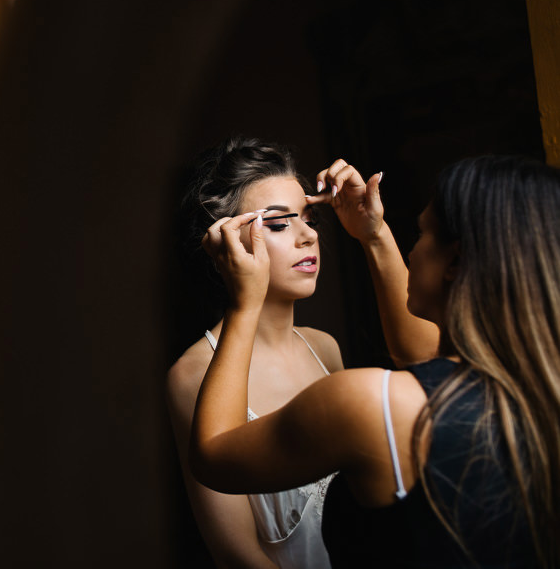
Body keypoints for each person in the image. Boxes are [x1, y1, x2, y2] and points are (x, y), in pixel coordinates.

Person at [191, 155, 558, 567]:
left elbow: (211, 455)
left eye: (420, 233)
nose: (412, 250)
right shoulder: (532, 391)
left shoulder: (372, 401)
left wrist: (243, 306)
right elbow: (421, 358)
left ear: (454, 262)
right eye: (278, 223)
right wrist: (374, 233)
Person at [167, 137, 343, 569]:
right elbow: (236, 554)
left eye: (309, 218)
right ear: (223, 243)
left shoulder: (324, 348)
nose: (308, 237)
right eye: (280, 224)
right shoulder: (192, 374)